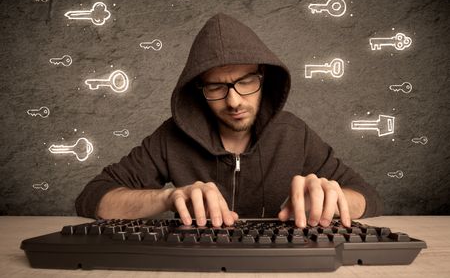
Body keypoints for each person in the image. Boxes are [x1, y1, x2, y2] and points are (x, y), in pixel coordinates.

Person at [75, 13, 383, 228]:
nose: (234, 100)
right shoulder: (171, 137)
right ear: (199, 91)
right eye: (216, 87)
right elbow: (93, 197)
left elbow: (367, 197)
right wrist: (169, 197)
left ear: (265, 79)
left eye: (246, 81)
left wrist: (335, 197)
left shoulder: (294, 134)